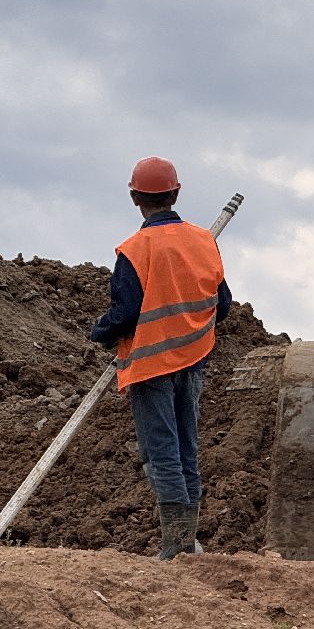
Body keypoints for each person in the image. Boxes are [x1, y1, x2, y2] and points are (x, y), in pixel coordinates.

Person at [90, 156, 231, 560]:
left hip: (152, 366)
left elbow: (125, 313)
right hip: (193, 360)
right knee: (186, 447)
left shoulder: (134, 250)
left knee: (162, 453)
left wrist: (99, 332)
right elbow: (221, 303)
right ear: (176, 193)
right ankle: (188, 542)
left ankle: (177, 545)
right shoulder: (203, 241)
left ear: (135, 197)